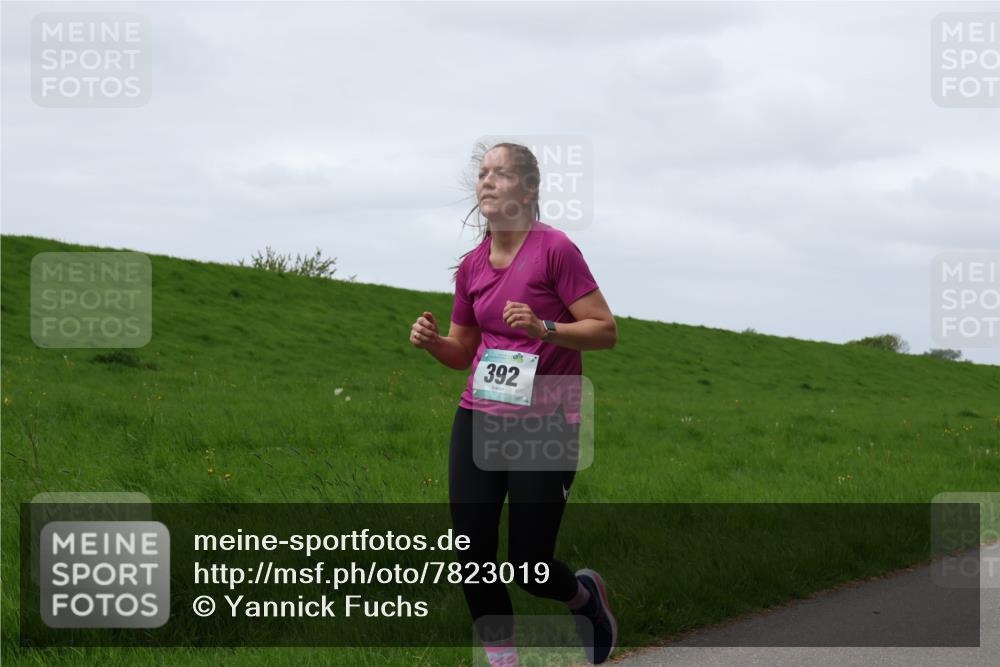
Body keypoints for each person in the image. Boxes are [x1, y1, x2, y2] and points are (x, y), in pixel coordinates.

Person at [409, 142, 618, 665]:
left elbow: (605, 330)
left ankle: (585, 599)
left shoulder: (555, 249)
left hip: (546, 417)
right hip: (479, 415)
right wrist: (435, 344)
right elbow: (462, 351)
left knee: (529, 566)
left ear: (527, 189)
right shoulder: (473, 267)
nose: (486, 181)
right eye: (481, 174)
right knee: (472, 558)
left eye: (500, 174)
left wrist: (546, 327)